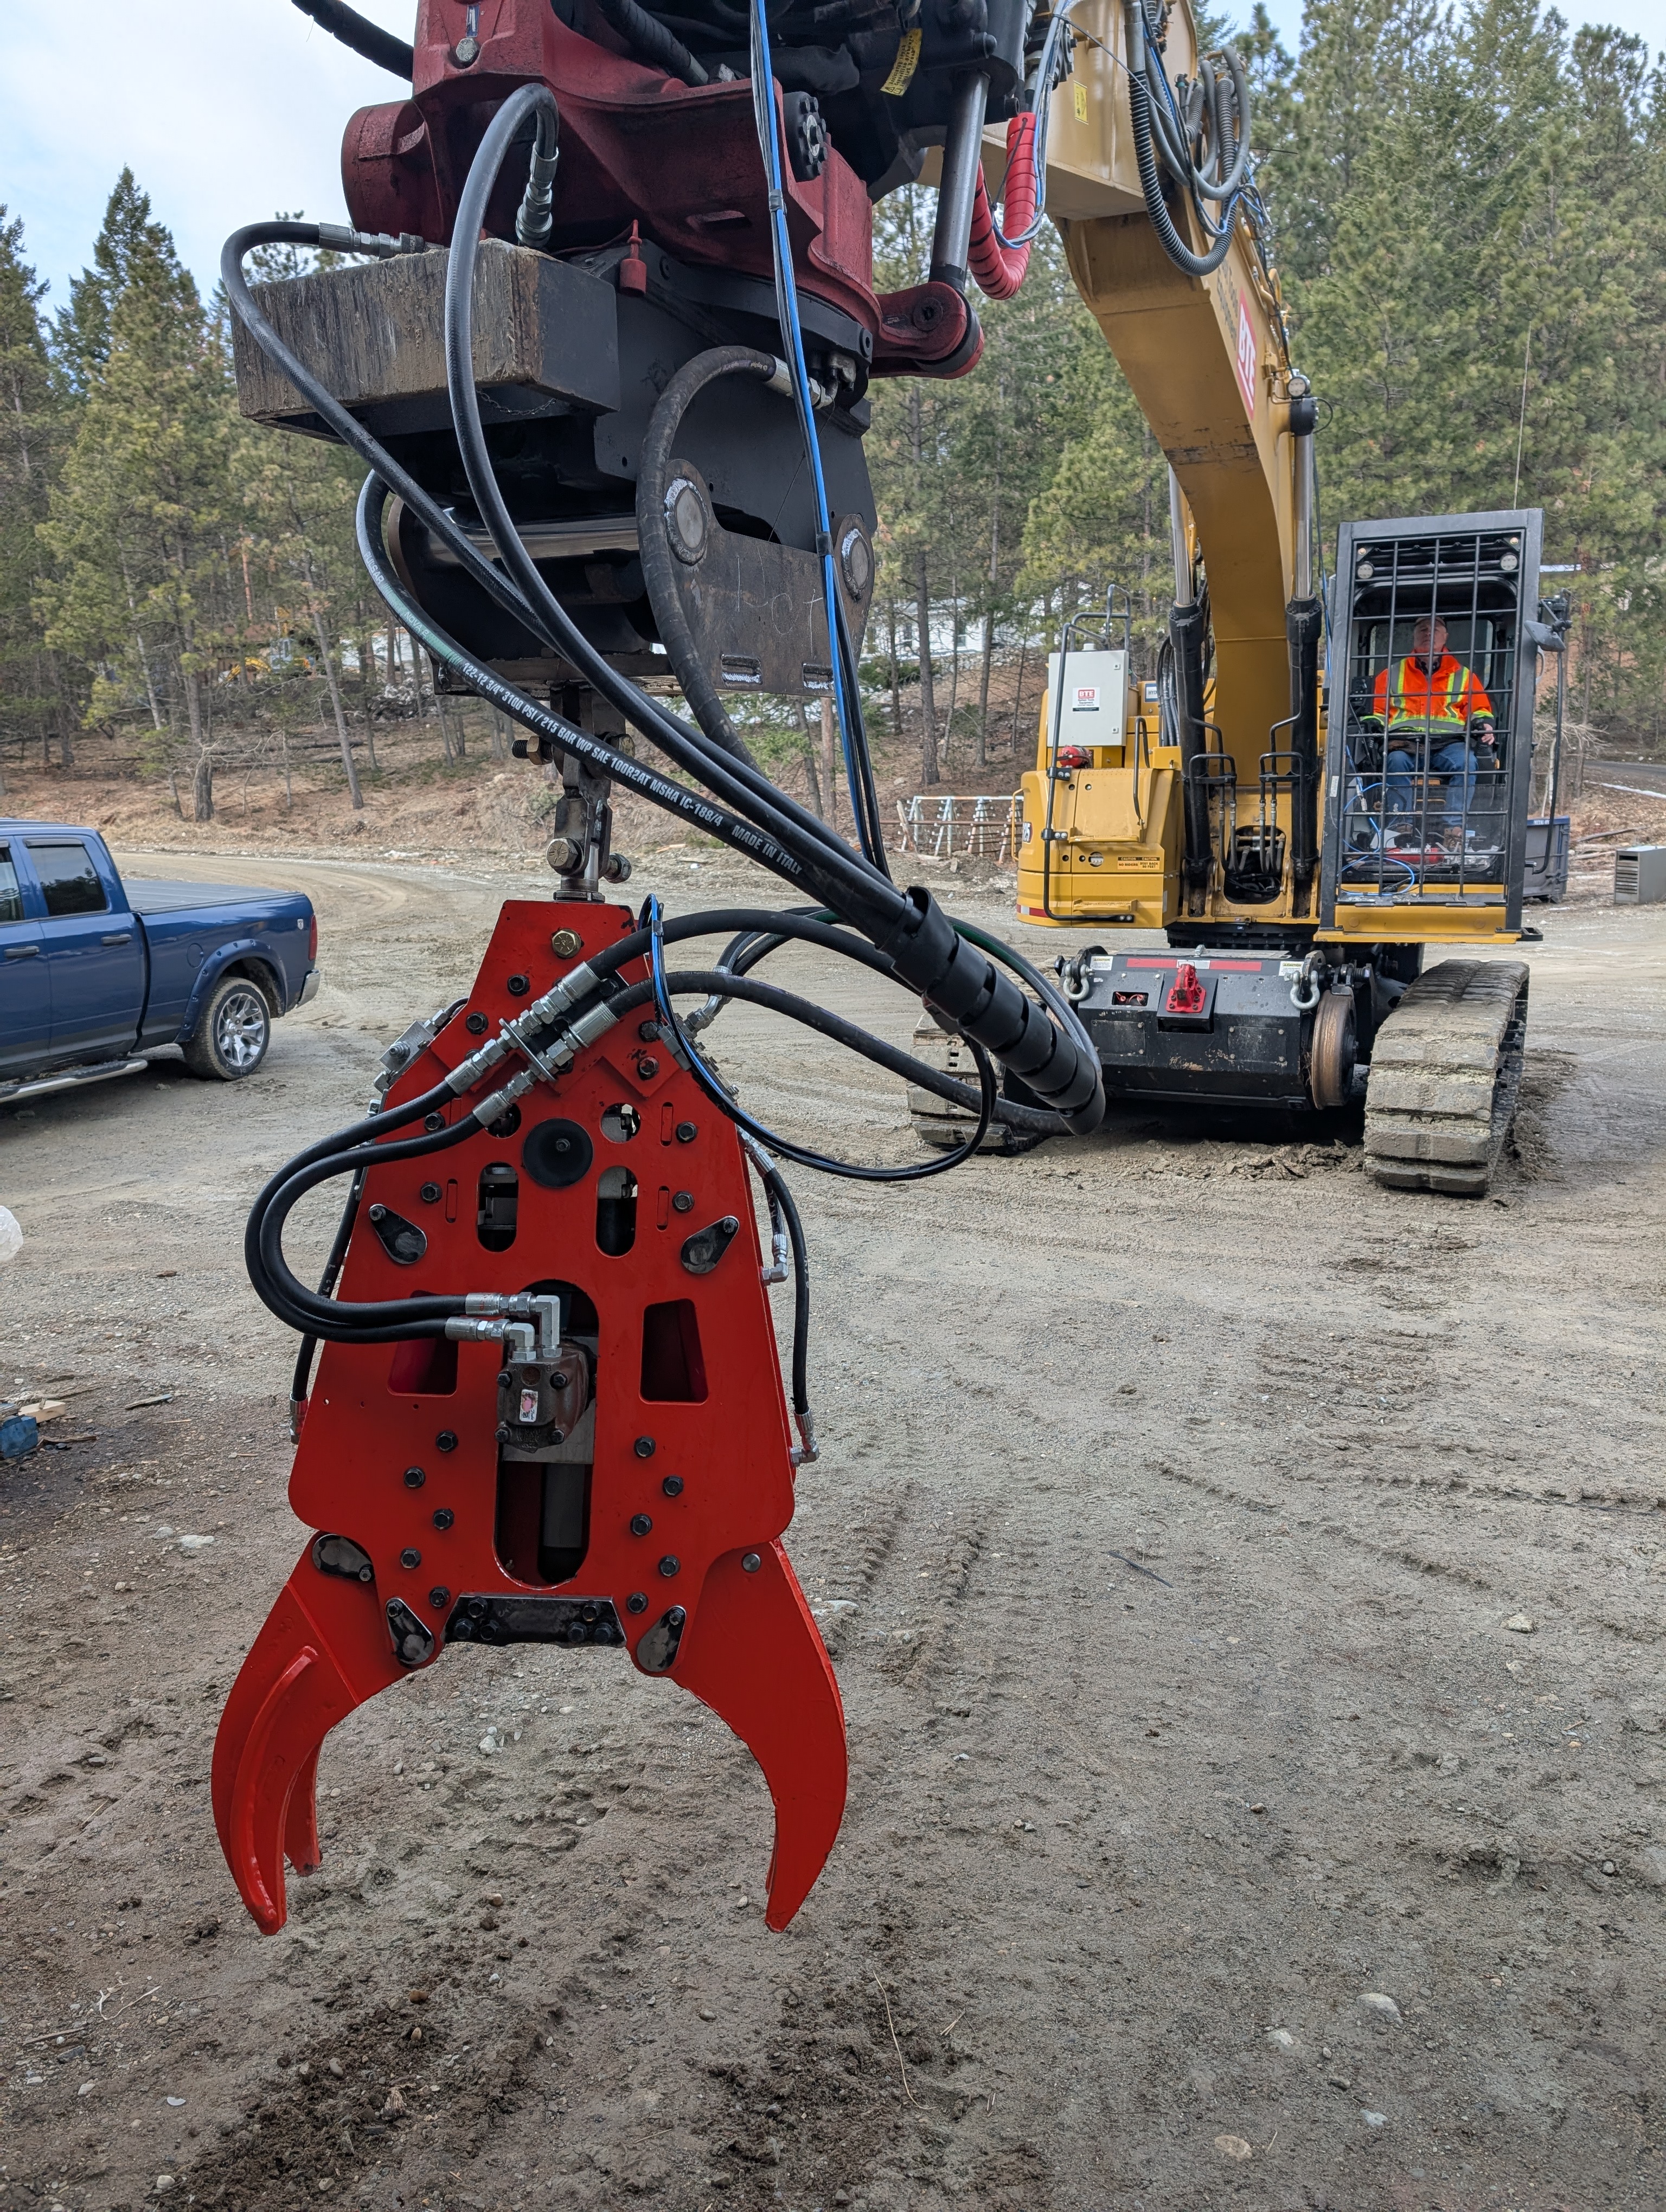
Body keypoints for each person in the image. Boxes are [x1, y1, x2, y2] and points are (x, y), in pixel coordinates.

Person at [1368, 616, 1496, 843]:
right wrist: (1374, 724)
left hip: (1448, 744)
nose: (1428, 633)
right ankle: (1401, 824)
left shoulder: (1464, 675)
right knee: (1395, 762)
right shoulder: (1392, 674)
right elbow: (1377, 710)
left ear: (1445, 637)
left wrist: (1484, 725)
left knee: (1466, 763)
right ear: (1414, 637)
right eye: (1423, 629)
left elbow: (1479, 709)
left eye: (1435, 630)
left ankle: (1453, 829)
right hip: (1406, 744)